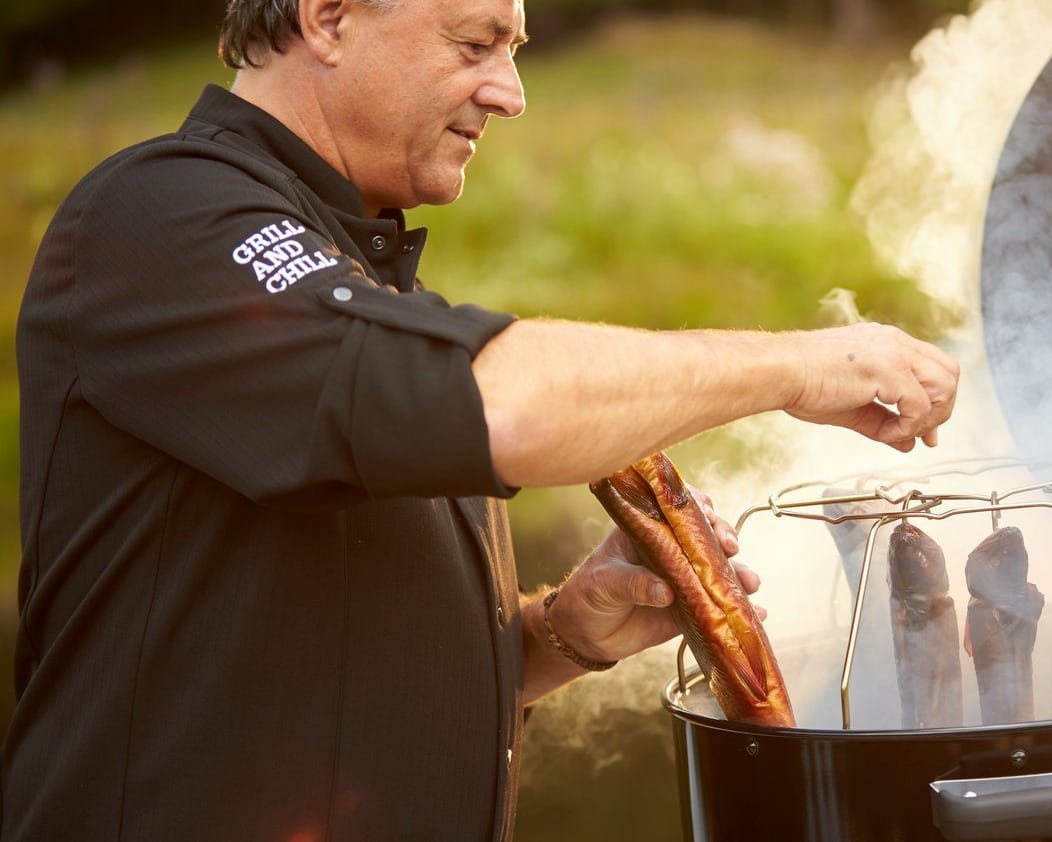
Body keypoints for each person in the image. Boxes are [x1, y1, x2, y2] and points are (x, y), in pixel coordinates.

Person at [1, 0, 959, 838]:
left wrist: (559, 636)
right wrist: (798, 364)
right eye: (475, 43)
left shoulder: (357, 280)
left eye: (516, 48)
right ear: (328, 17)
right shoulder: (161, 217)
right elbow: (506, 405)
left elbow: (327, 672)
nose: (510, 92)